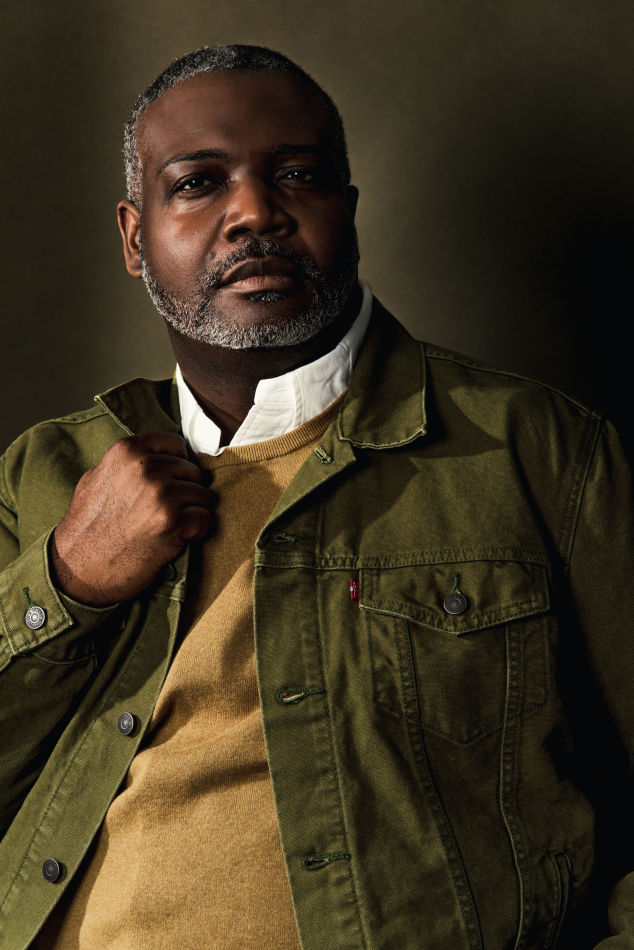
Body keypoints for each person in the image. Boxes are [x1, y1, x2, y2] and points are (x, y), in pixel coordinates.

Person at [0, 44, 632, 950]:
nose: (257, 212)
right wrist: (67, 581)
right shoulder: (42, 475)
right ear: (136, 239)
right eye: (198, 183)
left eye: (298, 175)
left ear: (349, 210)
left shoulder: (539, 453)